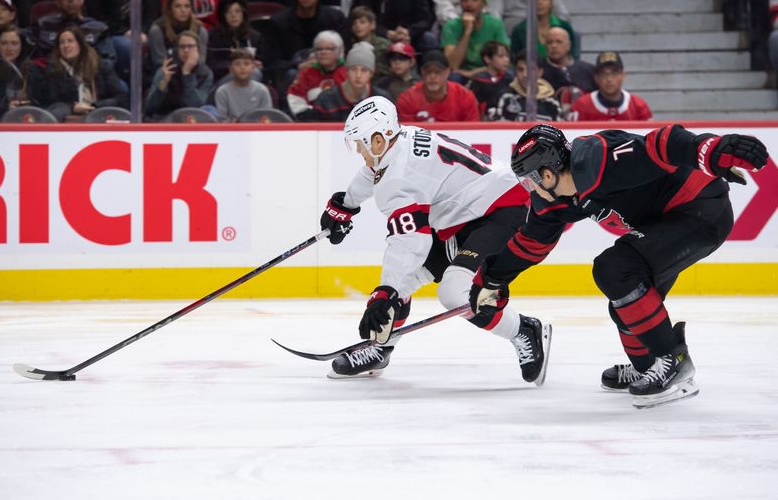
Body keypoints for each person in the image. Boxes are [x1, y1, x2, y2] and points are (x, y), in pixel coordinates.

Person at [469, 124, 768, 407]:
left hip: (700, 208)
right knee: (626, 300)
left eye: (530, 180)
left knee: (616, 269)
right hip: (663, 220)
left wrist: (708, 150)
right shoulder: (557, 198)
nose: (530, 189)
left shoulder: (599, 159)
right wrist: (491, 280)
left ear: (547, 175)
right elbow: (531, 243)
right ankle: (650, 366)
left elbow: (660, 145)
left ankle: (672, 363)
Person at [320, 95, 551, 382]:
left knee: (454, 293)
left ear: (379, 140)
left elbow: (409, 243)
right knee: (402, 282)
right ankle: (382, 348)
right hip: (465, 215)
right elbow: (374, 170)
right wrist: (347, 204)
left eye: (360, 144)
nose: (359, 152)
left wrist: (384, 292)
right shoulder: (400, 140)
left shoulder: (399, 180)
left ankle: (524, 330)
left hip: (502, 209)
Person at [260, 0, 348, 83]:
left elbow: (344, 53)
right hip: (292, 76)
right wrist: (298, 65)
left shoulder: (335, 18)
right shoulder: (278, 22)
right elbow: (271, 61)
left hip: (329, 73)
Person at [39, 25, 128, 121]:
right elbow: (51, 101)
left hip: (99, 114)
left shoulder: (101, 65)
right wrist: (73, 107)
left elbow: (121, 97)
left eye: (70, 41)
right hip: (68, 116)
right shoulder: (53, 69)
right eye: (62, 42)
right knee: (58, 110)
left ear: (80, 44)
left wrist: (93, 106)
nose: (66, 45)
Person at [86, 0, 154, 80]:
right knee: (127, 45)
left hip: (141, 33)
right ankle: (125, 82)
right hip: (112, 34)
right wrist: (124, 32)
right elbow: (98, 19)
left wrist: (143, 31)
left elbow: (151, 13)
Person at [297, 43, 391, 121]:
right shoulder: (326, 99)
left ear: (371, 73)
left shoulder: (383, 100)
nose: (358, 75)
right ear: (346, 72)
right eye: (353, 69)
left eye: (364, 70)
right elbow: (316, 133)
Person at [355, 0, 437, 53]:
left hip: (408, 35)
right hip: (379, 35)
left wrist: (408, 31)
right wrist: (386, 33)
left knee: (429, 39)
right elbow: (363, 18)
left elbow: (425, 20)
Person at [35, 0, 115, 63]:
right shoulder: (45, 24)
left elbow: (108, 61)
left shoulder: (98, 28)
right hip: (52, 72)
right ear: (57, 2)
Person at [441, 0, 509, 80]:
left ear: (484, 4)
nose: (469, 4)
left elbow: (503, 62)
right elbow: (453, 65)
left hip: (490, 71)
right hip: (462, 73)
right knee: (453, 77)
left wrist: (473, 72)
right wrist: (467, 32)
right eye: (464, 0)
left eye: (475, 0)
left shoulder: (495, 24)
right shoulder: (451, 26)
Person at [144, 30, 214, 120]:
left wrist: (186, 74)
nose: (186, 50)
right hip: (165, 119)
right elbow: (150, 108)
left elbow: (195, 105)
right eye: (182, 47)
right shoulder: (166, 70)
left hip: (192, 120)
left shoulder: (205, 73)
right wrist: (164, 83)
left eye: (190, 46)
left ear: (198, 49)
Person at [396, 49, 480, 121]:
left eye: (438, 72)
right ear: (421, 72)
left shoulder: (465, 96)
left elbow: (473, 132)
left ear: (448, 72)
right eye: (428, 72)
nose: (432, 76)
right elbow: (407, 135)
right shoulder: (407, 99)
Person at [0, 25, 41, 121]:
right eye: (4, 43)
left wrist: (29, 104)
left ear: (21, 46)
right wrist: (6, 106)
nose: (9, 48)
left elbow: (41, 97)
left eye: (14, 43)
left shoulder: (31, 68)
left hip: (28, 117)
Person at [568, 52, 652, 121]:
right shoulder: (581, 106)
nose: (609, 79)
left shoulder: (639, 106)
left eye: (614, 73)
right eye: (603, 74)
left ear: (623, 75)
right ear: (596, 78)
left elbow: (649, 138)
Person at [286, 30, 346, 117]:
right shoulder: (306, 74)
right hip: (312, 122)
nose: (323, 52)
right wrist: (307, 114)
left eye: (329, 48)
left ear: (339, 51)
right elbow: (295, 96)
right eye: (319, 49)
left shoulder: (347, 73)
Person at [509, 0, 577, 60]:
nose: (539, 3)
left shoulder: (564, 27)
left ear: (551, 3)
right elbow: (515, 60)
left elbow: (573, 57)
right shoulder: (519, 30)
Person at [486, 51, 560, 122]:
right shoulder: (504, 97)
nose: (525, 74)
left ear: (540, 72)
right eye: (520, 69)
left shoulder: (552, 103)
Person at [206, 0, 264, 82]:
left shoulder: (254, 37)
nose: (233, 16)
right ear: (223, 15)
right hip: (223, 81)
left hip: (251, 81)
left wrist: (259, 65)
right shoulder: (212, 36)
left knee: (255, 72)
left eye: (237, 11)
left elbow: (265, 63)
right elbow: (210, 66)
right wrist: (235, 66)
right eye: (228, 12)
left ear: (243, 14)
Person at [148, 0, 209, 68]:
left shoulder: (200, 30)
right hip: (167, 72)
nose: (183, 10)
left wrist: (188, 69)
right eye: (178, 6)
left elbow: (201, 61)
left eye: (187, 6)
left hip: (193, 69)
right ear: (170, 9)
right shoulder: (157, 30)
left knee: (207, 73)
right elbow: (159, 62)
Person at [214, 49, 272, 122]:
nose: (242, 67)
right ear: (231, 69)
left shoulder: (262, 90)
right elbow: (222, 120)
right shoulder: (222, 92)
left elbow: (267, 117)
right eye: (237, 64)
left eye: (246, 64)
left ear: (253, 67)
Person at [542, 26, 595, 94]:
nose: (554, 46)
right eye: (550, 42)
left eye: (559, 42)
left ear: (568, 45)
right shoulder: (539, 72)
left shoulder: (588, 70)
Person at [467, 40, 512, 116]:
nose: (506, 60)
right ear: (487, 59)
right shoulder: (478, 81)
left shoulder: (510, 79)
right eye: (501, 56)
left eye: (507, 56)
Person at [349, 6, 391, 79]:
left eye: (362, 22)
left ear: (372, 25)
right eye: (354, 23)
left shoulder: (384, 45)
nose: (358, 26)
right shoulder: (351, 47)